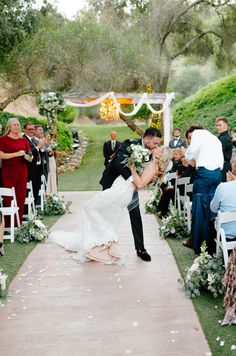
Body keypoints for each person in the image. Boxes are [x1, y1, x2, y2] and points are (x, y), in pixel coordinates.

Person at [49, 146, 171, 264]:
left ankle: (110, 239)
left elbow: (140, 185)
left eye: (160, 147)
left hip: (123, 191)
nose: (157, 147)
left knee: (89, 207)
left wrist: (132, 168)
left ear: (161, 155)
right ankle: (100, 247)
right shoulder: (148, 161)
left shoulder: (152, 166)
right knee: (100, 213)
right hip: (120, 187)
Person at [100, 127, 162, 262]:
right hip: (113, 183)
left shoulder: (150, 153)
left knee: (135, 214)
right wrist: (134, 180)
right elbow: (118, 164)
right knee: (108, 214)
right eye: (155, 143)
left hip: (130, 187)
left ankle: (140, 248)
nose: (156, 146)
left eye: (158, 144)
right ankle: (103, 244)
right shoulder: (129, 144)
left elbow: (149, 171)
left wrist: (151, 177)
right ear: (146, 139)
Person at [183, 125, 224, 254]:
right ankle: (213, 244)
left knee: (199, 208)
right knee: (213, 208)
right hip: (217, 174)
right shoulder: (214, 138)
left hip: (204, 175)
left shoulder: (197, 134)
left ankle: (199, 244)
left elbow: (190, 152)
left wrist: (189, 159)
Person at [0, 118, 32, 224]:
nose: (17, 127)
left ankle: (18, 224)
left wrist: (27, 157)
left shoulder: (23, 140)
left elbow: (30, 157)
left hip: (22, 170)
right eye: (14, 125)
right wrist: (16, 154)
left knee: (20, 196)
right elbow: (1, 155)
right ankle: (7, 224)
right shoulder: (3, 139)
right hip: (8, 171)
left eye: (18, 125)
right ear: (9, 127)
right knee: (8, 197)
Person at [23, 122, 46, 205]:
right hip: (30, 170)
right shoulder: (24, 140)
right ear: (24, 129)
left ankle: (35, 212)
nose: (31, 131)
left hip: (37, 170)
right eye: (29, 129)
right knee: (30, 193)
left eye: (32, 129)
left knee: (36, 192)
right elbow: (28, 155)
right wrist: (38, 147)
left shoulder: (33, 140)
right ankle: (29, 214)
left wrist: (41, 148)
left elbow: (39, 153)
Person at [215, 117, 233, 182]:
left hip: (223, 167)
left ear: (226, 126)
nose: (217, 127)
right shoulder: (224, 137)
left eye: (220, 125)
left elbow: (218, 154)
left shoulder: (223, 139)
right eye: (216, 125)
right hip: (225, 166)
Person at [45, 132, 57, 196]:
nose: (48, 137)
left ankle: (54, 190)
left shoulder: (51, 143)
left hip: (52, 160)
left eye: (49, 136)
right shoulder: (44, 144)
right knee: (49, 175)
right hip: (49, 161)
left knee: (53, 174)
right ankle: (48, 191)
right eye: (47, 136)